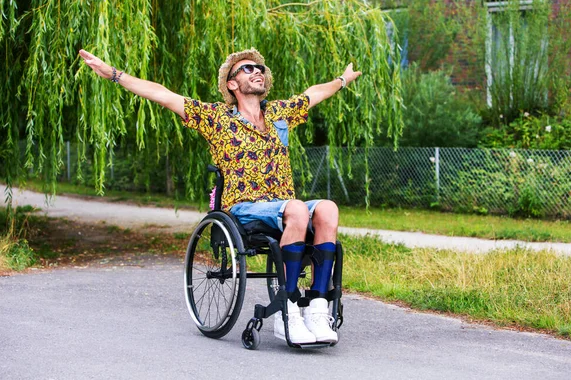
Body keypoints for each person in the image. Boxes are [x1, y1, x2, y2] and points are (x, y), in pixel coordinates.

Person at [79, 48, 361, 344]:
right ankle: (287, 311)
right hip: (244, 208)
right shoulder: (216, 118)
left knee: (327, 208)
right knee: (299, 210)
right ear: (232, 84)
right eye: (248, 68)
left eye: (260, 68)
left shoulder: (279, 113)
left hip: (286, 207)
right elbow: (162, 94)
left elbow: (314, 93)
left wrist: (342, 79)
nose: (257, 71)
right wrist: (114, 74)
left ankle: (316, 308)